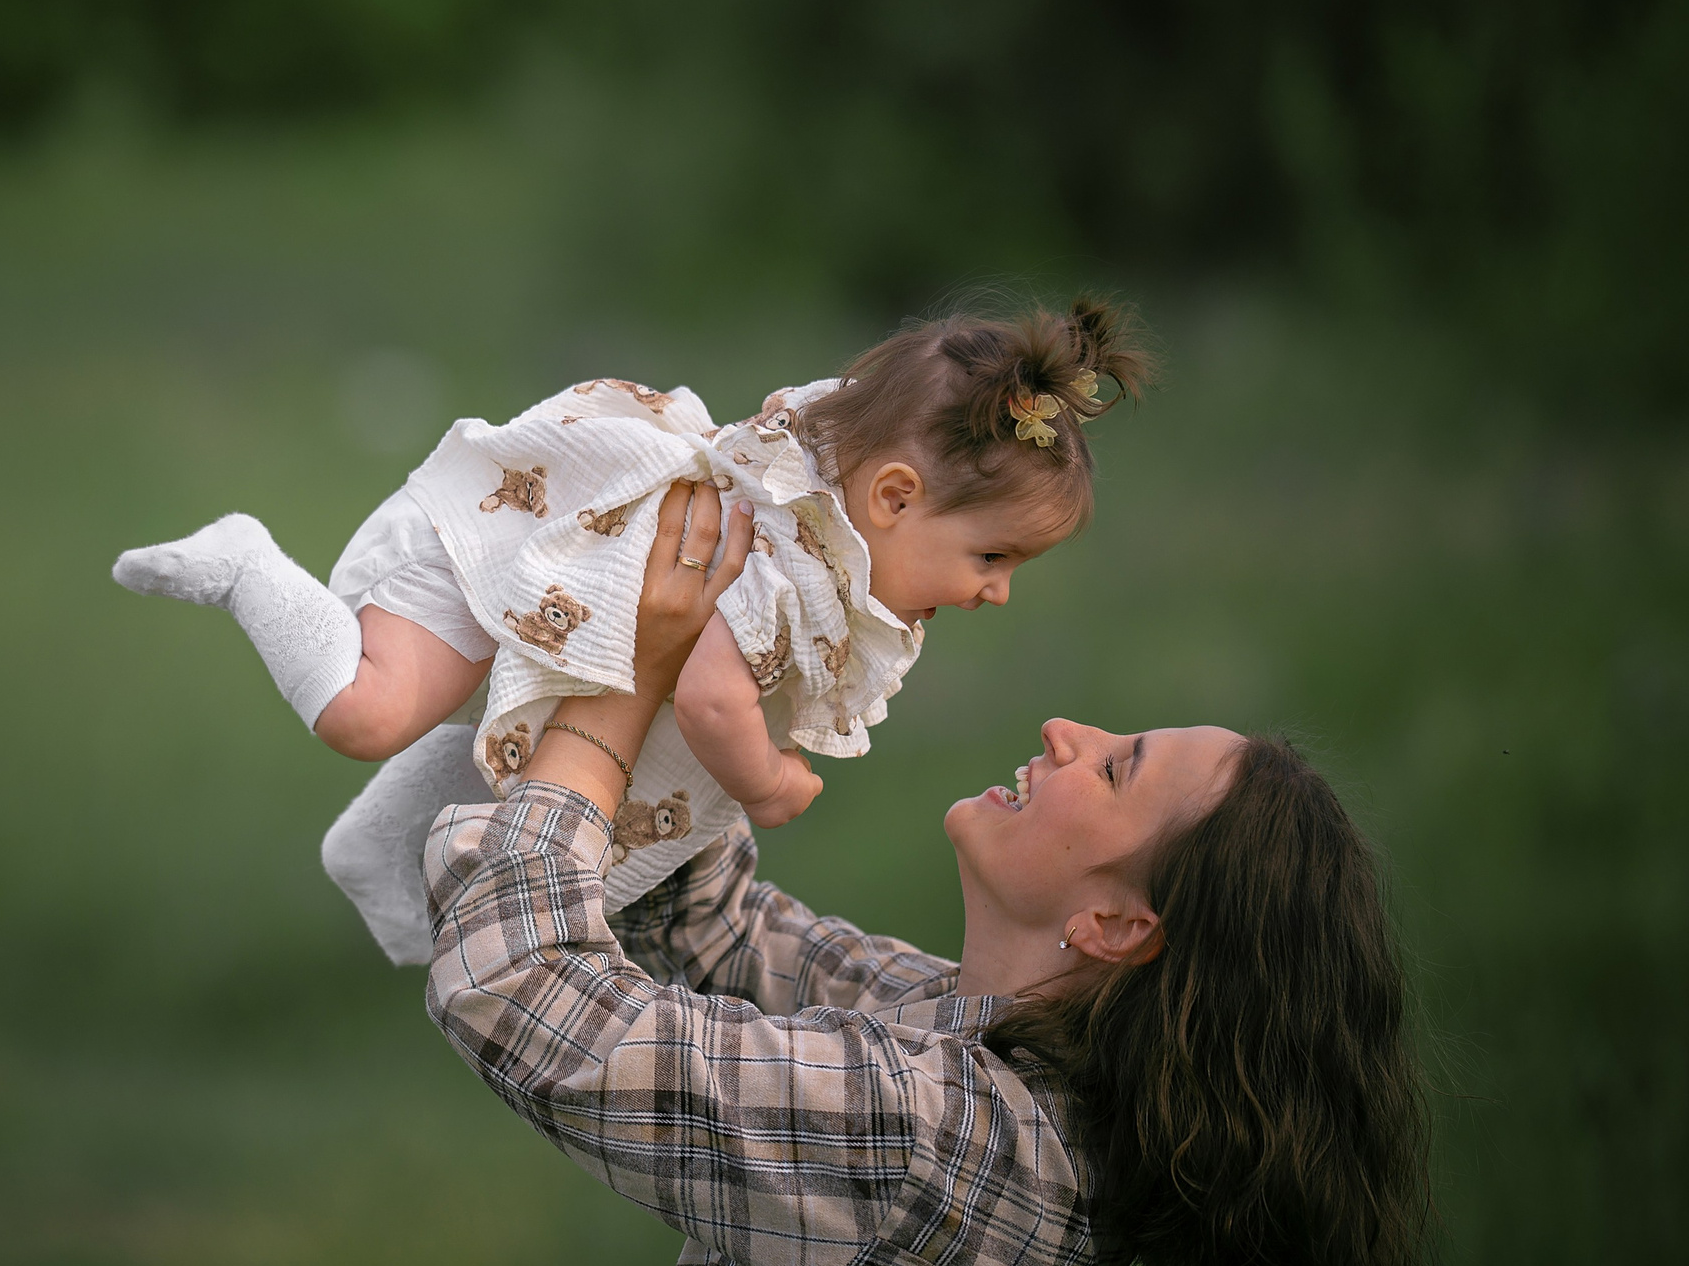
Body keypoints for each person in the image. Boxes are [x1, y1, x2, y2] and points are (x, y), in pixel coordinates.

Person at [427, 481, 1428, 1266]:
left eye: (1115, 768)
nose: (1065, 730)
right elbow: (711, 926)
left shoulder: (944, 1144)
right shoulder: (980, 1036)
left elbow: (518, 990)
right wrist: (720, 657)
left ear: (1119, 926)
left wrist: (620, 688)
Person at [115, 299, 1153, 961]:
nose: (996, 592)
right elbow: (708, 696)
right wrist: (764, 781)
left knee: (504, 771)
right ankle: (247, 562)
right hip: (515, 545)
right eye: (992, 557)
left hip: (559, 598)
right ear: (890, 498)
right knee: (367, 712)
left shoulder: (819, 512)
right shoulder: (781, 564)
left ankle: (373, 850)